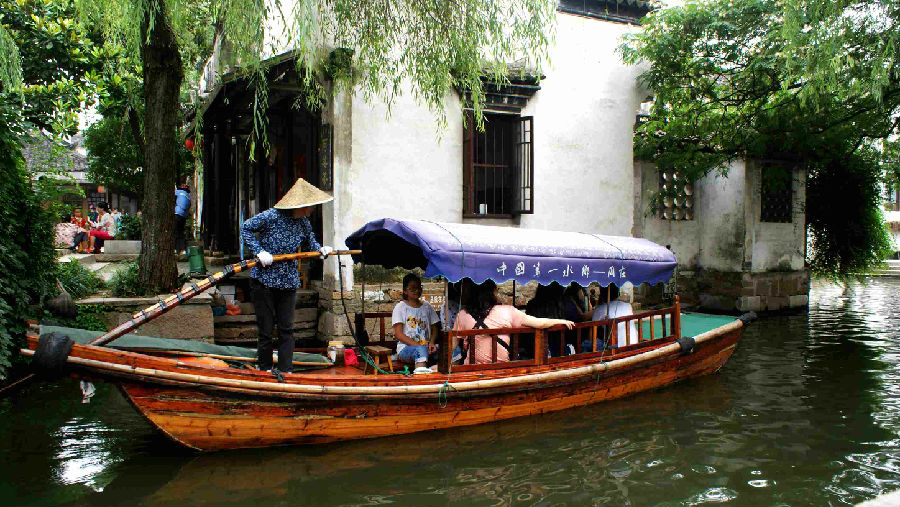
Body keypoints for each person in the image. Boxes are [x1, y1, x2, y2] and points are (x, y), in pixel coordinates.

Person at [241, 178, 334, 373]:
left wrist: (320, 250)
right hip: (264, 280)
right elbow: (246, 228)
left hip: (288, 281)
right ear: (300, 205)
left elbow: (310, 243)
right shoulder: (271, 216)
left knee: (287, 329)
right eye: (310, 206)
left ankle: (286, 370)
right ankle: (265, 368)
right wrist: (259, 251)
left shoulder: (303, 223)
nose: (312, 209)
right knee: (266, 330)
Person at [455, 280, 574, 365]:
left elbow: (453, 344)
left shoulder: (462, 315)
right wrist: (560, 321)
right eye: (497, 291)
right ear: (492, 294)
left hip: (471, 368)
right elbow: (539, 323)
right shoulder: (508, 311)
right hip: (502, 366)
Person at [392, 273, 442, 367]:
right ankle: (420, 375)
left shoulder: (427, 306)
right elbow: (398, 334)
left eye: (419, 287)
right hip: (406, 348)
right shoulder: (400, 307)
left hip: (427, 347)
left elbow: (435, 327)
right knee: (421, 350)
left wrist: (431, 342)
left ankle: (446, 375)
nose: (417, 290)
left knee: (450, 349)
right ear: (405, 291)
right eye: (413, 288)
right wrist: (417, 345)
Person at [174, 184, 192, 255]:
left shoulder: (180, 192)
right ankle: (182, 249)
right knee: (181, 233)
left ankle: (175, 249)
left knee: (175, 232)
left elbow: (172, 192)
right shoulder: (188, 196)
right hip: (183, 216)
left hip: (177, 214)